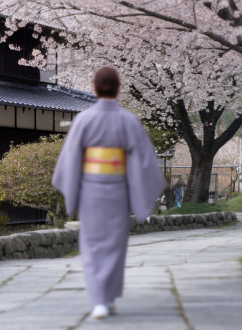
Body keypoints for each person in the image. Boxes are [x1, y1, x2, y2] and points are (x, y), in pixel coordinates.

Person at [52, 67, 166, 319]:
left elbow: (70, 160)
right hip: (119, 189)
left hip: (90, 190)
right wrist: (139, 193)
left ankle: (100, 300)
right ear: (118, 88)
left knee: (92, 244)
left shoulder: (83, 119)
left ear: (94, 88)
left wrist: (72, 191)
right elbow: (144, 162)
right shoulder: (129, 120)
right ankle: (109, 297)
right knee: (115, 244)